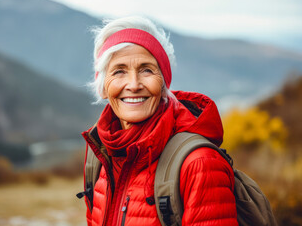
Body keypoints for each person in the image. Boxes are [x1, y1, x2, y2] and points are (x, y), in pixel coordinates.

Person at [81, 16, 238, 226]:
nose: (134, 84)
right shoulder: (99, 153)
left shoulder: (199, 164)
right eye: (119, 71)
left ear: (164, 83)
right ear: (102, 86)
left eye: (147, 70)